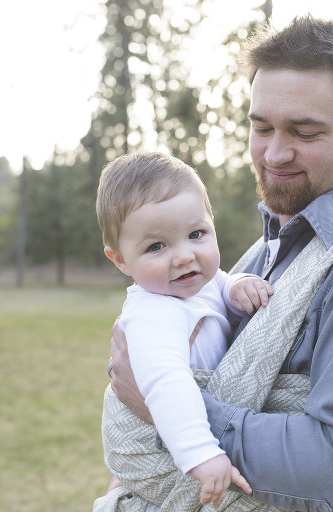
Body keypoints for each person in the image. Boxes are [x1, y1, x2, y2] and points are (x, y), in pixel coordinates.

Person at [105, 16, 333, 512]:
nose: (274, 153)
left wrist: (167, 408)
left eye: (304, 132)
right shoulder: (257, 258)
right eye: (261, 127)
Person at [96, 151, 274, 507]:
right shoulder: (154, 311)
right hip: (162, 439)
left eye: (196, 234)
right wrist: (201, 453)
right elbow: (166, 383)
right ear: (121, 259)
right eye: (156, 246)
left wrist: (238, 287)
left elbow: (220, 284)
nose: (184, 256)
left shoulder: (198, 282)